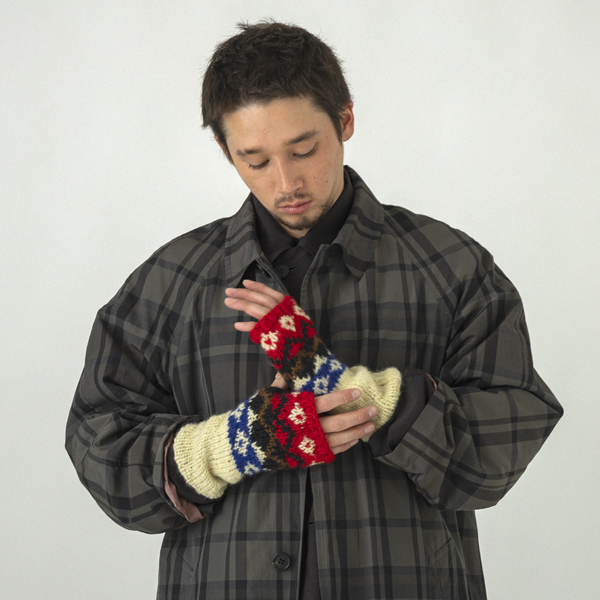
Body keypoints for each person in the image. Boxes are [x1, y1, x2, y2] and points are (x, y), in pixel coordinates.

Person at [65, 20, 563, 600]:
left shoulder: (451, 267)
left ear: (345, 120)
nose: (287, 182)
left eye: (304, 150)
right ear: (225, 150)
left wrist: (370, 397)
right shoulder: (171, 281)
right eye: (255, 160)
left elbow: (507, 438)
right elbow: (98, 441)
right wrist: (229, 446)